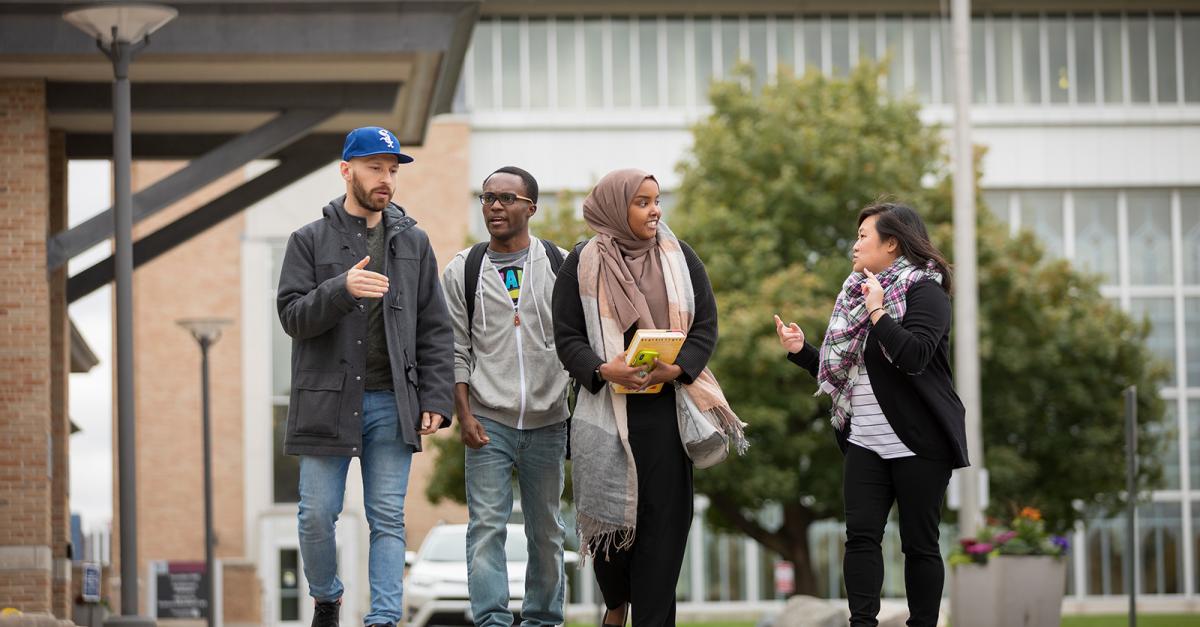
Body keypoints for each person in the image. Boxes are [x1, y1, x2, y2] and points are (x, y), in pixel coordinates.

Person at [276, 126, 455, 627]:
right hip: (326, 402)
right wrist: (341, 288)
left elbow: (434, 327)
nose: (386, 179)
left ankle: (383, 619)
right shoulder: (308, 240)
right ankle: (327, 597)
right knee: (316, 516)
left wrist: (434, 398)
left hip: (391, 402)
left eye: (392, 170)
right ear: (346, 170)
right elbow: (292, 317)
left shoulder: (414, 242)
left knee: (388, 520)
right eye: (375, 167)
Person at [552, 169, 741, 627]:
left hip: (667, 414)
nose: (655, 210)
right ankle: (616, 602)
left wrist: (677, 367)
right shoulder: (581, 262)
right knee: (613, 534)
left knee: (663, 532)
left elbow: (706, 324)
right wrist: (603, 369)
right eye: (642, 202)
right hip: (606, 414)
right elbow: (567, 337)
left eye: (656, 201)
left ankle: (653, 618)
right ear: (617, 208)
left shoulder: (681, 257)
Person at [773, 202, 969, 627]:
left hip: (921, 442)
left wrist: (878, 311)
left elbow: (914, 355)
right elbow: (851, 373)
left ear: (893, 243)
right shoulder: (854, 296)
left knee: (919, 545)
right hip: (865, 439)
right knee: (860, 538)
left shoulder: (926, 291)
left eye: (864, 235)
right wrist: (802, 352)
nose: (855, 243)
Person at [440, 166, 571, 627]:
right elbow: (454, 349)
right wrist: (464, 413)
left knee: (547, 533)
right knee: (485, 530)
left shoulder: (558, 263)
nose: (495, 206)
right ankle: (492, 620)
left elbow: (577, 341)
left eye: (507, 199)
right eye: (488, 197)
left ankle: (542, 619)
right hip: (488, 420)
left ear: (531, 208)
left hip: (549, 421)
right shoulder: (463, 268)